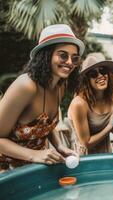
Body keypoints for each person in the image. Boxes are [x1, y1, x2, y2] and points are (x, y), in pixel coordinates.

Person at [0, 24, 84, 172]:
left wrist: (59, 146)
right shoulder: (26, 86)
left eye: (74, 58)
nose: (70, 62)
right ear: (46, 55)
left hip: (32, 168)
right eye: (63, 55)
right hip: (5, 169)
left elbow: (45, 124)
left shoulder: (60, 86)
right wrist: (34, 155)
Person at [67, 53, 113, 155]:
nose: (100, 76)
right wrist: (109, 126)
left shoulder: (112, 99)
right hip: (84, 159)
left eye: (102, 71)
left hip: (107, 155)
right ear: (87, 80)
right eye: (93, 74)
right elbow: (86, 143)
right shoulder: (79, 104)